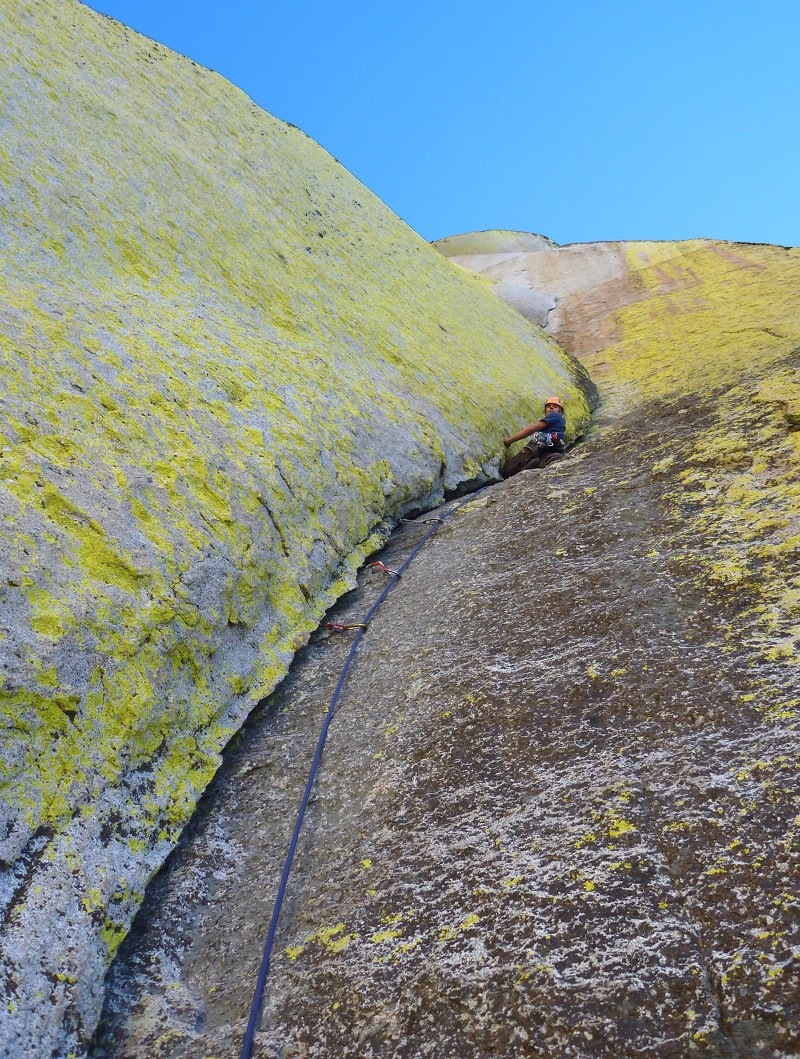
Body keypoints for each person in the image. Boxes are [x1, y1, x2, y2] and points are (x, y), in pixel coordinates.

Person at [501, 396, 567, 478]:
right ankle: (537, 463)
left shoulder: (555, 417)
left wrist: (508, 441)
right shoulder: (560, 424)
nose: (551, 407)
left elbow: (531, 429)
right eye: (548, 406)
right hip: (552, 449)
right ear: (545, 410)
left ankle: (529, 464)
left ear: (560, 412)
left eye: (555, 406)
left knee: (509, 470)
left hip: (538, 447)